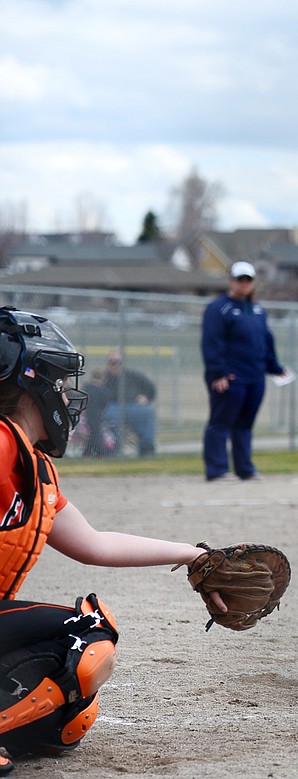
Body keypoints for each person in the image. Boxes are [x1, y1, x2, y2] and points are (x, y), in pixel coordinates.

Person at [0, 306, 222, 773]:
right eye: (57, 382)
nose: (64, 395)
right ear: (29, 383)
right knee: (85, 638)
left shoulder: (33, 467)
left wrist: (194, 555)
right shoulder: (1, 444)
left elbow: (96, 544)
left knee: (67, 713)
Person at [200, 261, 289, 481]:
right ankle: (217, 469)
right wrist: (217, 373)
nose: (244, 284)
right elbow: (212, 342)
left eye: (248, 279)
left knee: (245, 425)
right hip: (231, 378)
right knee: (220, 423)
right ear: (231, 281)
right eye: (240, 279)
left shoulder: (258, 310)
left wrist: (275, 368)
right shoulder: (218, 308)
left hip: (255, 377)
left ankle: (245, 469)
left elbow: (265, 341)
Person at [97, 350, 157, 457]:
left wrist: (146, 397)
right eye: (112, 362)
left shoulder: (132, 376)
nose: (115, 365)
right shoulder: (104, 378)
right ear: (108, 364)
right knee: (110, 415)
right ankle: (114, 448)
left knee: (146, 412)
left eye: (118, 362)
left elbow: (151, 388)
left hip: (133, 407)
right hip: (112, 407)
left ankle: (146, 448)